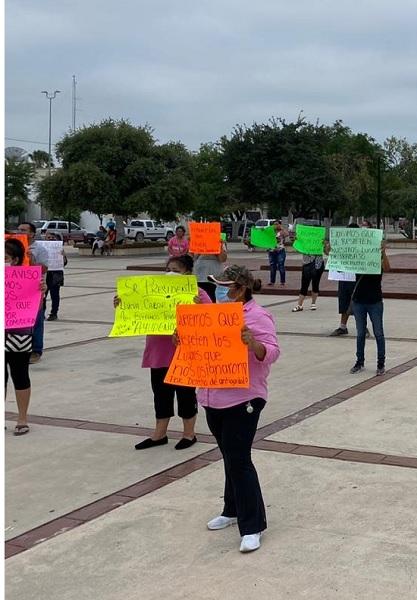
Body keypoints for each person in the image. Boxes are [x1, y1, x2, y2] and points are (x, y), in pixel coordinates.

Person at [202, 265, 280, 553]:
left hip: (244, 398)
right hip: (212, 396)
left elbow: (271, 352)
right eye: (219, 285)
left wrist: (253, 343)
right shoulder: (211, 314)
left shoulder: (257, 316)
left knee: (239, 459)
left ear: (242, 288)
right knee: (229, 456)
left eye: (228, 286)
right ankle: (232, 509)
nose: (222, 290)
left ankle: (253, 524)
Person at [114, 255, 211, 450]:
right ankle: (159, 434)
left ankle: (189, 434)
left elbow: (212, 319)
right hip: (158, 351)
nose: (170, 273)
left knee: (186, 395)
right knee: (161, 394)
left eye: (176, 270)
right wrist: (122, 303)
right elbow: (136, 311)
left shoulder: (197, 293)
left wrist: (198, 306)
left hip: (185, 353)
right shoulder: (152, 292)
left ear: (187, 274)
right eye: (168, 269)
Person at [5, 238, 46, 435]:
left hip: (17, 334)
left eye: (4, 257)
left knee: (19, 374)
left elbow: (35, 311)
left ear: (14, 260)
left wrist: (40, 293)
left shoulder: (26, 278)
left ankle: (22, 418)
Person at [350, 241, 391, 375]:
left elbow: (388, 268)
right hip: (359, 301)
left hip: (375, 301)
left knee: (378, 333)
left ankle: (381, 363)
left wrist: (383, 252)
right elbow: (341, 261)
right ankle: (359, 361)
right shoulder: (358, 260)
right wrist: (330, 249)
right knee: (360, 333)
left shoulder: (377, 261)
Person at [17, 222, 48, 363]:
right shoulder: (11, 248)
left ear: (31, 234)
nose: (20, 232)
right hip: (16, 290)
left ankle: (36, 350)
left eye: (23, 230)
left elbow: (43, 269)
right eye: (18, 230)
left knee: (36, 321)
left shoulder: (39, 249)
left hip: (34, 290)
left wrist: (31, 258)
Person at [329, 223, 360, 336]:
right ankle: (343, 326)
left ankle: (363, 326)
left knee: (358, 302)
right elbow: (332, 255)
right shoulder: (342, 244)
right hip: (344, 277)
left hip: (357, 278)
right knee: (344, 301)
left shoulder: (362, 246)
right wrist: (327, 249)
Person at [266, 221, 288, 287]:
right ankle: (272, 281)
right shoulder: (270, 232)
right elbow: (263, 236)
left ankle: (282, 282)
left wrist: (281, 228)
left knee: (281, 266)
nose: (276, 225)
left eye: (277, 224)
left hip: (280, 250)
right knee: (272, 266)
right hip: (271, 251)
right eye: (274, 224)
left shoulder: (281, 232)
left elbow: (287, 234)